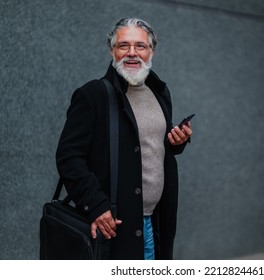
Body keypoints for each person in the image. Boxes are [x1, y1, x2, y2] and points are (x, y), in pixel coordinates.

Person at [55, 18, 192, 260]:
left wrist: (175, 142)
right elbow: (69, 157)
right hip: (115, 225)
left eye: (140, 46)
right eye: (123, 46)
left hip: (156, 220)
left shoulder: (160, 92)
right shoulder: (93, 94)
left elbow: (144, 142)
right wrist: (95, 206)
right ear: (112, 51)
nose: (132, 53)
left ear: (152, 51)